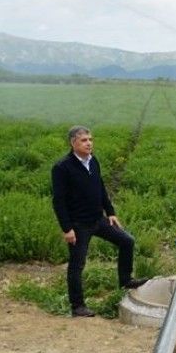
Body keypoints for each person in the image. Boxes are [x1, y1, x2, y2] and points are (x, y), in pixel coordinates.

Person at [51, 125, 148, 317]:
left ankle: (125, 279)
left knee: (127, 241)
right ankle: (77, 306)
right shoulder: (62, 167)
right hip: (79, 225)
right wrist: (67, 228)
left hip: (98, 219)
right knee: (77, 264)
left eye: (90, 139)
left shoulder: (93, 161)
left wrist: (110, 212)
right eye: (84, 140)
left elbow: (100, 187)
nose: (89, 143)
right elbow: (58, 201)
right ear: (73, 143)